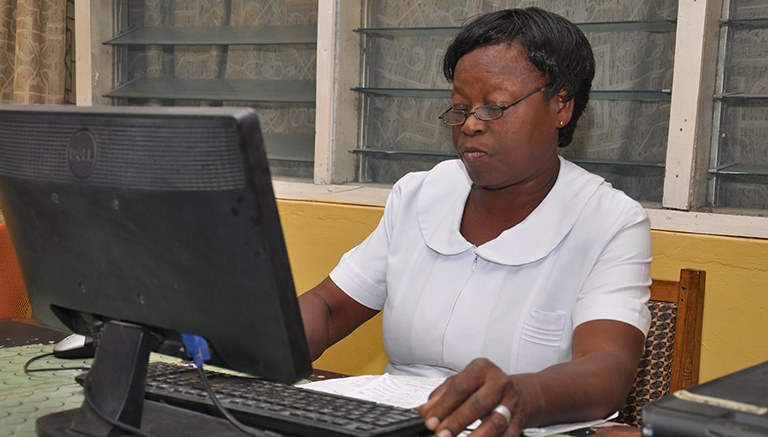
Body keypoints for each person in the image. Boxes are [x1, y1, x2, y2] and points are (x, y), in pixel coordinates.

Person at [299, 7, 651, 437]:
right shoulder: (420, 194)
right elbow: (330, 309)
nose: (470, 125)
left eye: (495, 108)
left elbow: (605, 374)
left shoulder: (609, 219)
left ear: (561, 104)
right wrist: (251, 338)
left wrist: (518, 396)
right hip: (398, 424)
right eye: (460, 108)